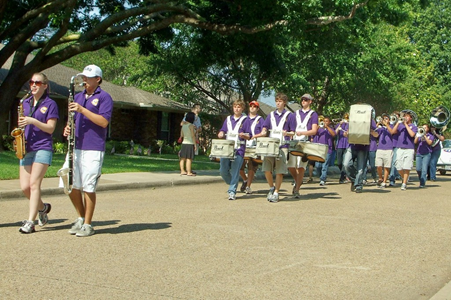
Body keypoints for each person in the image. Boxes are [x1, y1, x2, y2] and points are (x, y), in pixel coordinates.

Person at [63, 65, 113, 237]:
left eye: (89, 77)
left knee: (88, 186)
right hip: (76, 146)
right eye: (84, 77)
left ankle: (88, 224)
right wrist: (67, 128)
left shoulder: (104, 97)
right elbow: (72, 120)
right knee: (70, 185)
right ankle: (80, 217)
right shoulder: (77, 97)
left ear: (98, 79)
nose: (85, 80)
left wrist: (82, 109)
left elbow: (103, 122)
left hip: (93, 147)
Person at [18, 73, 59, 233]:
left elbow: (50, 128)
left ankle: (30, 222)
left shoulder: (50, 104)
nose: (33, 85)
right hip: (26, 147)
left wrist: (32, 121)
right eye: (31, 82)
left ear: (44, 86)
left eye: (37, 82)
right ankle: (42, 208)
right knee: (24, 187)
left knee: (35, 185)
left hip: (43, 147)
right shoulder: (25, 103)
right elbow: (22, 124)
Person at [257, 93, 292, 203]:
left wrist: (288, 133)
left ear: (284, 103)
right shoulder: (271, 115)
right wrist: (263, 131)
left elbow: (294, 131)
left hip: (283, 146)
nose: (278, 103)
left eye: (280, 101)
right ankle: (271, 187)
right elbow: (265, 127)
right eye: (277, 100)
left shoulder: (289, 115)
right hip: (270, 146)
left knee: (279, 171)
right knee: (267, 169)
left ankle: (276, 192)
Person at [287, 94, 318, 197]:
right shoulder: (295, 114)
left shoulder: (313, 114)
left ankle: (297, 189)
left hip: (305, 142)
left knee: (301, 167)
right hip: (295, 141)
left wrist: (303, 133)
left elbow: (314, 131)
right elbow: (291, 129)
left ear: (310, 102)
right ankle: (297, 181)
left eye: (306, 100)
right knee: (291, 166)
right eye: (302, 99)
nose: (303, 101)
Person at [217, 99, 247, 200]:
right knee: (223, 170)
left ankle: (232, 191)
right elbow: (223, 130)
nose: (236, 109)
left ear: (242, 108)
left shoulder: (245, 120)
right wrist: (221, 133)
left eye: (239, 107)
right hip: (227, 148)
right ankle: (232, 183)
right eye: (235, 107)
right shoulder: (228, 119)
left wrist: (245, 135)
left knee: (235, 171)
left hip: (239, 149)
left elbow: (250, 135)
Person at [343, 109, 377, 193]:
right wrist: (346, 133)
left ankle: (358, 185)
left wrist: (370, 131)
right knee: (346, 164)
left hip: (363, 147)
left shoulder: (371, 121)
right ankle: (354, 180)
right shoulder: (352, 120)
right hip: (351, 145)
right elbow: (345, 133)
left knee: (361, 168)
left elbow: (376, 134)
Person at [240, 100, 263, 194]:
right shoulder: (244, 119)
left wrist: (255, 137)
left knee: (251, 166)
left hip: (255, 145)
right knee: (238, 166)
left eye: (254, 106)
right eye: (251, 106)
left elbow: (263, 132)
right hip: (244, 145)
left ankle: (248, 186)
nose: (252, 108)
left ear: (257, 109)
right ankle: (245, 180)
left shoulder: (260, 119)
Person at [392, 111, 417, 191]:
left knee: (407, 166)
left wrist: (406, 124)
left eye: (407, 116)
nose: (405, 118)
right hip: (400, 147)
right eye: (404, 116)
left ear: (411, 118)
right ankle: (404, 177)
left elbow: (412, 135)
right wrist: (398, 122)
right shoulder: (400, 125)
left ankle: (404, 183)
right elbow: (393, 132)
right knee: (398, 166)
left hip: (409, 148)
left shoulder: (413, 126)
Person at [375, 113, 395, 188]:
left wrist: (386, 125)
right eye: (384, 119)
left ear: (389, 120)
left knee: (386, 166)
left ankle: (384, 181)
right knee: (378, 166)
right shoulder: (381, 128)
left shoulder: (392, 126)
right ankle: (380, 178)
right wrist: (377, 125)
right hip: (380, 148)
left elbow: (392, 132)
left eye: (386, 118)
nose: (385, 120)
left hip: (389, 148)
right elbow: (375, 134)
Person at [314, 116, 335, 186]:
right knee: (317, 165)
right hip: (320, 149)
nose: (325, 122)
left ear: (329, 122)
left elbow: (334, 134)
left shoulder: (330, 129)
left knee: (325, 166)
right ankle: (320, 176)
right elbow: (314, 133)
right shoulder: (320, 129)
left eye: (326, 121)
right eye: (324, 121)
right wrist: (318, 126)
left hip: (328, 149)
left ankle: (323, 179)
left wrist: (327, 127)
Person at [179, 112, 197, 176]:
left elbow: (182, 135)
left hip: (184, 143)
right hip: (190, 143)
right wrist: (195, 144)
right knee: (189, 158)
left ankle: (182, 170)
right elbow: (192, 136)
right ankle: (189, 172)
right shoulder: (191, 126)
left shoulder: (183, 125)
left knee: (182, 158)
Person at [335, 113, 350, 183]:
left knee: (345, 162)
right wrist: (340, 124)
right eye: (345, 117)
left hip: (347, 145)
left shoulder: (350, 124)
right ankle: (345, 175)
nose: (346, 119)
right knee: (339, 162)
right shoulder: (339, 124)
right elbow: (335, 133)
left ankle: (342, 177)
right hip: (340, 145)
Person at [389, 111, 402, 186]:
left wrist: (398, 122)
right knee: (390, 163)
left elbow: (394, 131)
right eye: (393, 116)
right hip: (389, 146)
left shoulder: (400, 125)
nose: (395, 118)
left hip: (397, 145)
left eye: (396, 116)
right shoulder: (390, 125)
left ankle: (392, 179)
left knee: (394, 162)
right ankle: (397, 175)